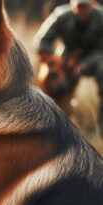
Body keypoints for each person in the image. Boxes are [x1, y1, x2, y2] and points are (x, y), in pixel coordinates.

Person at [34, 0, 103, 129]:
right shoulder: (61, 15)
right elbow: (40, 41)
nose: (82, 10)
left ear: (93, 4)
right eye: (79, 6)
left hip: (95, 59)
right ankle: (51, 117)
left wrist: (85, 64)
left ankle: (101, 124)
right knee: (52, 78)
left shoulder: (101, 18)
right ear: (72, 4)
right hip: (67, 58)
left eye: (85, 6)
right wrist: (54, 61)